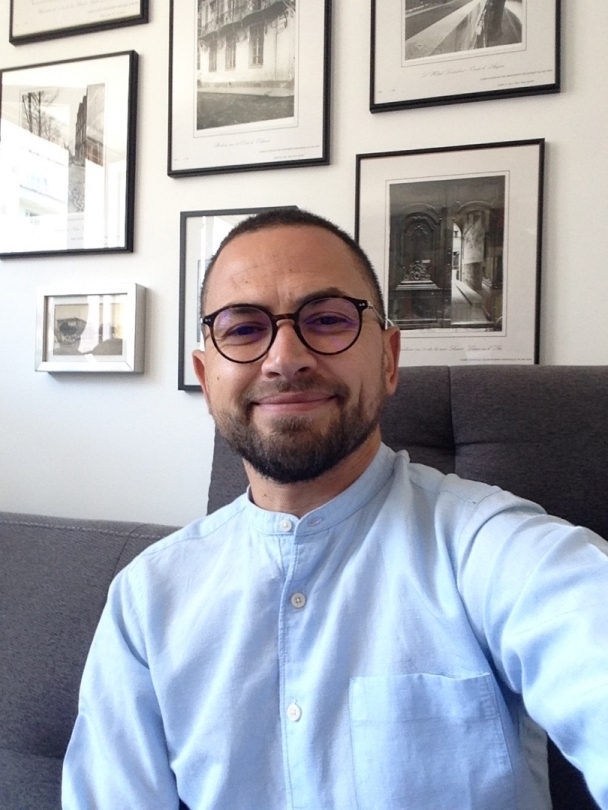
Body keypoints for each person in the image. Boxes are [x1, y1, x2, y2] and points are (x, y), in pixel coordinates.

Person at [62, 209, 608, 810]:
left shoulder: (496, 549)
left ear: (389, 360)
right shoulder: (146, 598)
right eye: (243, 329)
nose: (284, 358)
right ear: (206, 377)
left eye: (326, 320)